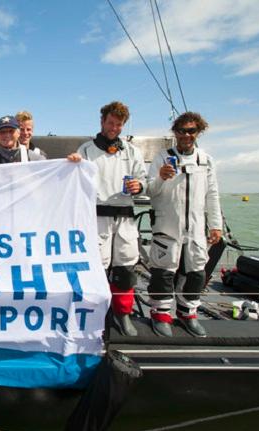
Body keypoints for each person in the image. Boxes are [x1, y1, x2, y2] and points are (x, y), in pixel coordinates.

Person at [147, 112, 222, 338]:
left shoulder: (206, 160)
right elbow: (150, 190)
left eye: (191, 131)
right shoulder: (162, 157)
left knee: (196, 273)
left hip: (196, 229)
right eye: (182, 131)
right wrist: (161, 177)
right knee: (163, 273)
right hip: (168, 228)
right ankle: (160, 315)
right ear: (175, 132)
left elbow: (213, 195)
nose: (186, 135)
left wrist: (215, 225)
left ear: (198, 132)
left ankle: (188, 313)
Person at [77, 101, 147, 337]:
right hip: (97, 216)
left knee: (126, 267)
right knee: (97, 268)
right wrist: (70, 164)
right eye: (110, 123)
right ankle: (97, 314)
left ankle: (123, 313)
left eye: (118, 124)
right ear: (102, 122)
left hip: (125, 216)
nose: (114, 128)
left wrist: (139, 186)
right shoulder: (86, 150)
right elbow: (73, 180)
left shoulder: (132, 151)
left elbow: (142, 180)